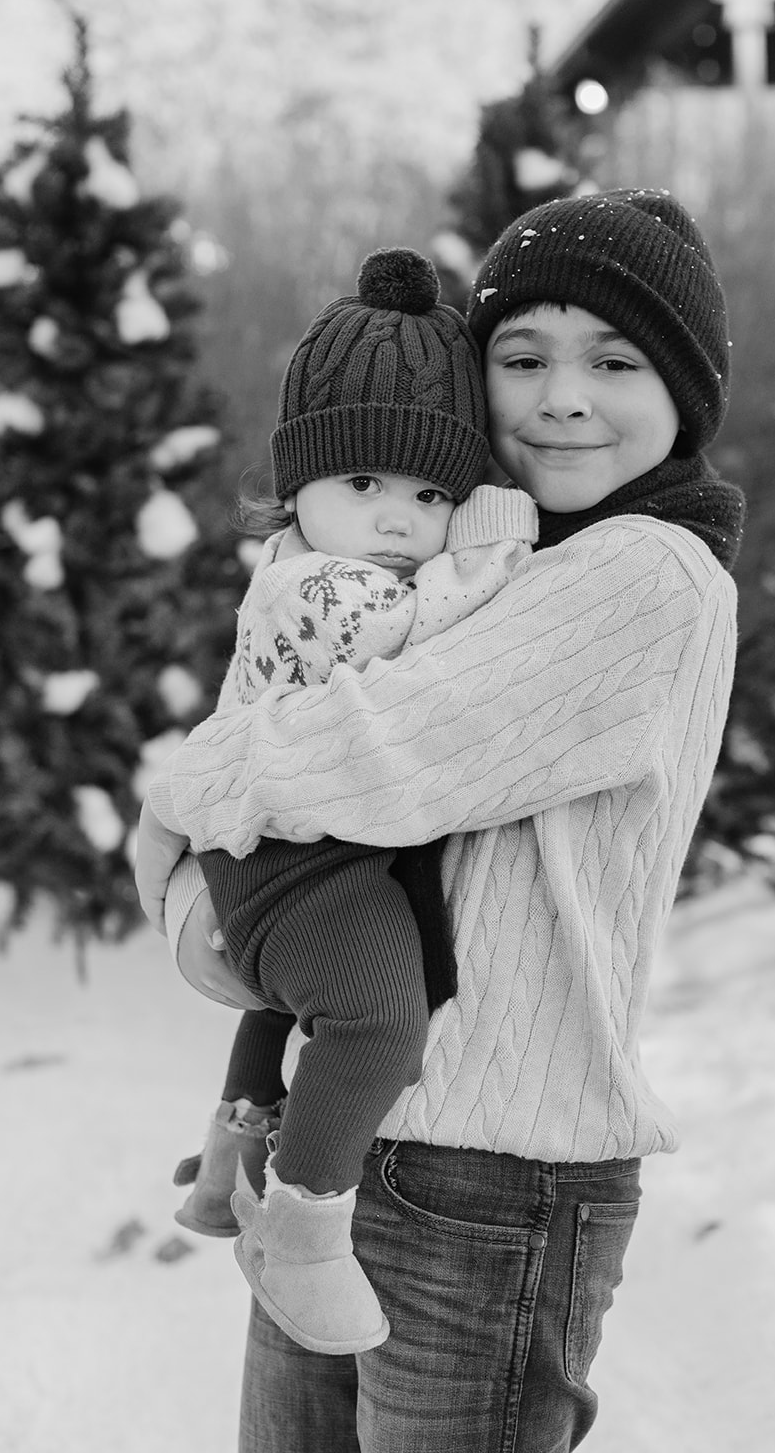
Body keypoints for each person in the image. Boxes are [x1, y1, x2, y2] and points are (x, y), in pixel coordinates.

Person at [136, 187, 745, 1452]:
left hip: (493, 1183)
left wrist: (177, 806)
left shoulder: (644, 574)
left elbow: (375, 754)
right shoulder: (479, 562)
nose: (563, 396)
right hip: (351, 1130)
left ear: (684, 390)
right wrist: (214, 895)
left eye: (615, 360)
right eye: (521, 358)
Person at [151, 246, 536, 1355]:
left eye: (429, 494)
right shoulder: (322, 584)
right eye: (361, 484)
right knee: (374, 1018)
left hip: (287, 841)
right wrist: (491, 542)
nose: (397, 519)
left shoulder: (300, 554)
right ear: (298, 484)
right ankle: (305, 1228)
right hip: (295, 855)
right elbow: (416, 640)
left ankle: (233, 1153)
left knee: (291, 1007)